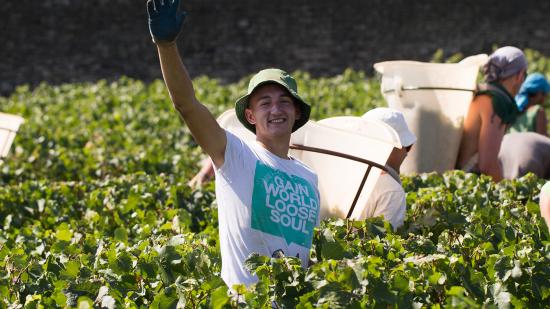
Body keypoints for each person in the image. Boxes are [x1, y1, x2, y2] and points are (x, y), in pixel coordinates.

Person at [147, 0, 320, 288]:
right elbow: (187, 105)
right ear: (250, 116)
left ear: (297, 112)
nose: (275, 110)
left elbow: (303, 250)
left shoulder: (309, 177)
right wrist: (166, 47)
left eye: (284, 102)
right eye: (265, 103)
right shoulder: (235, 154)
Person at [456, 46, 528, 181]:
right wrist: (507, 194)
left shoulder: (482, 92)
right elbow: (487, 165)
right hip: (466, 179)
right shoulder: (496, 102)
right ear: (520, 75)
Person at [361, 108, 416, 230]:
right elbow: (381, 245)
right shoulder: (391, 191)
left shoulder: (337, 169)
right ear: (392, 147)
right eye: (407, 147)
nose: (407, 153)